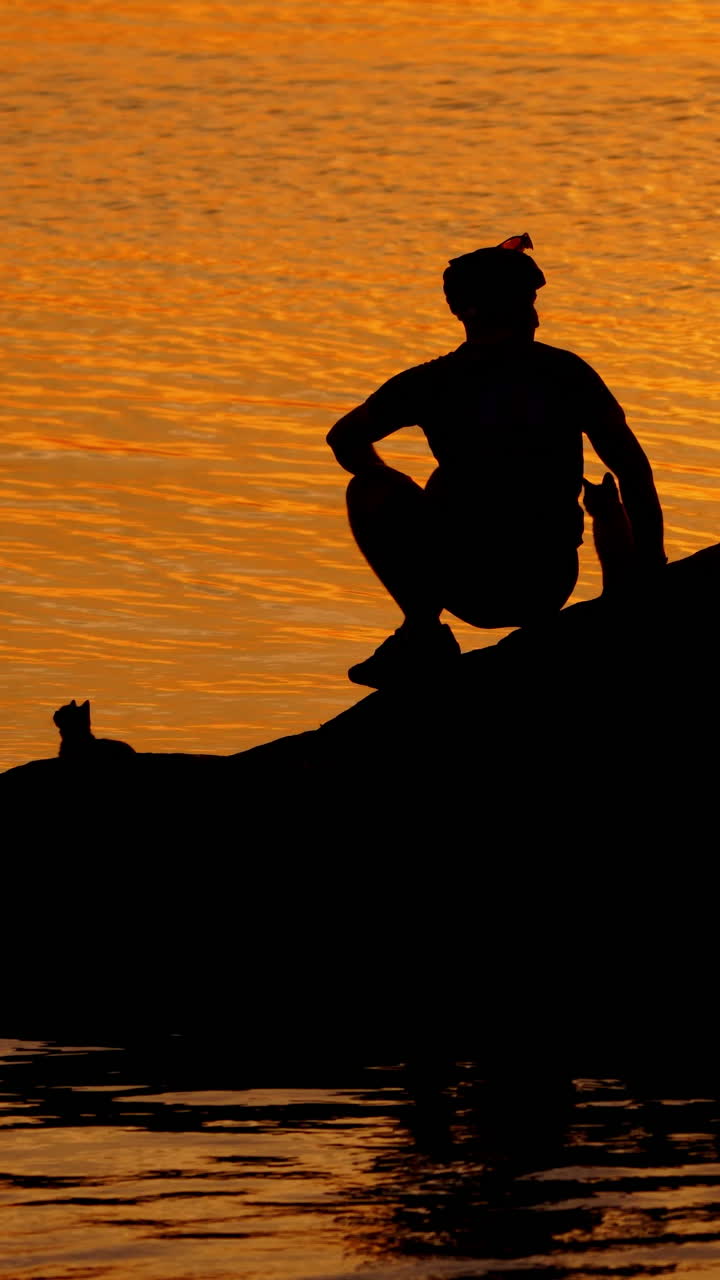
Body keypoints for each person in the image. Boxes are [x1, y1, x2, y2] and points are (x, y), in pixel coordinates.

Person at [327, 234, 666, 688]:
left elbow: (344, 440)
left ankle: (422, 629)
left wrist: (395, 486)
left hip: (465, 579)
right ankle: (422, 632)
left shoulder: (432, 382)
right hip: (544, 584)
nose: (533, 313)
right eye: (524, 300)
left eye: (529, 300)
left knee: (370, 488)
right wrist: (652, 569)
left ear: (459, 310)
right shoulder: (565, 372)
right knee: (605, 492)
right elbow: (633, 471)